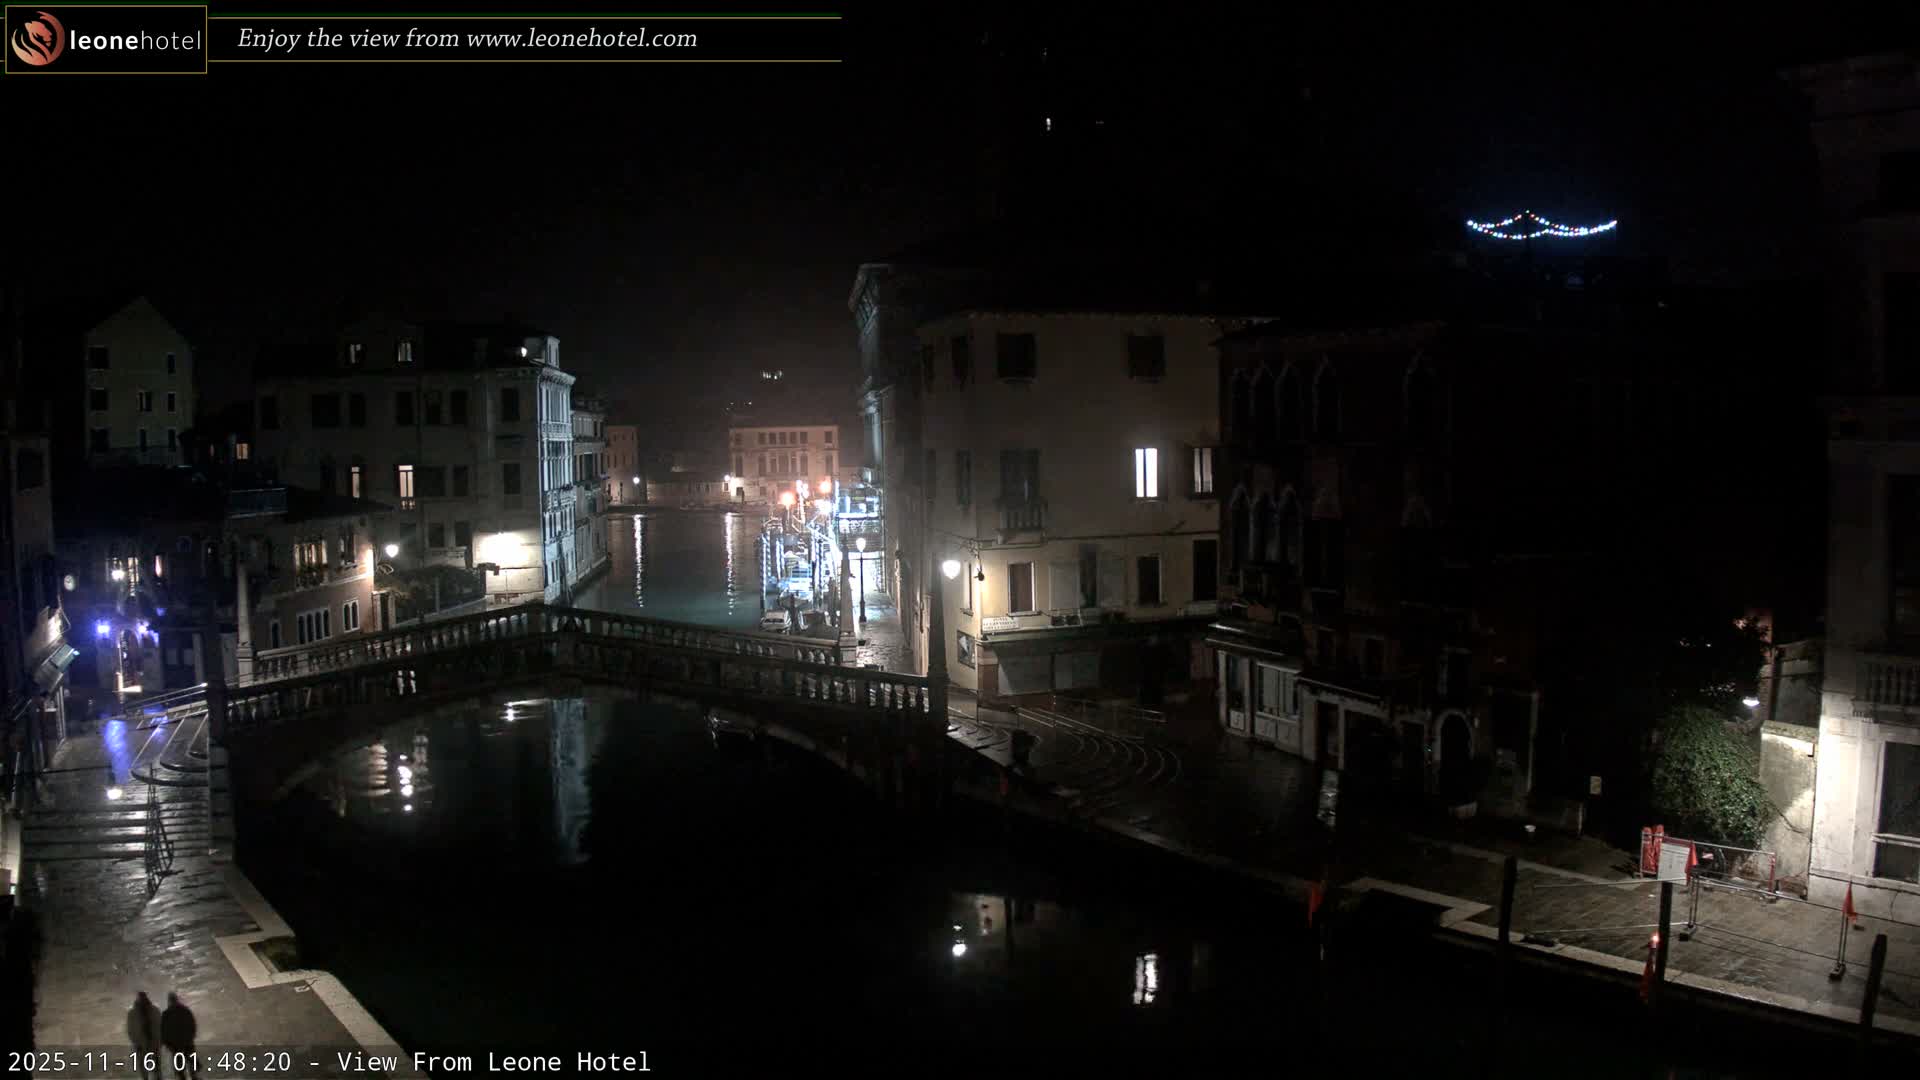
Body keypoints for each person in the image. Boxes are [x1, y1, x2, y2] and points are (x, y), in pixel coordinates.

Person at [160, 992, 199, 1079]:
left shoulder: (166, 1014)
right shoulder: (185, 1010)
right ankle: (194, 1077)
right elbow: (192, 1025)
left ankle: (184, 1077)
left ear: (169, 1001)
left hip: (175, 1045)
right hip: (187, 1042)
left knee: (179, 1066)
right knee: (191, 1062)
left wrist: (166, 1043)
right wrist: (191, 1037)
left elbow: (163, 1030)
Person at [126, 992, 160, 1080]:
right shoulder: (154, 1010)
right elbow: (131, 1030)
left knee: (150, 1066)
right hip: (146, 1044)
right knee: (151, 1066)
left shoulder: (133, 1012)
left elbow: (130, 1030)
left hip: (148, 1043)